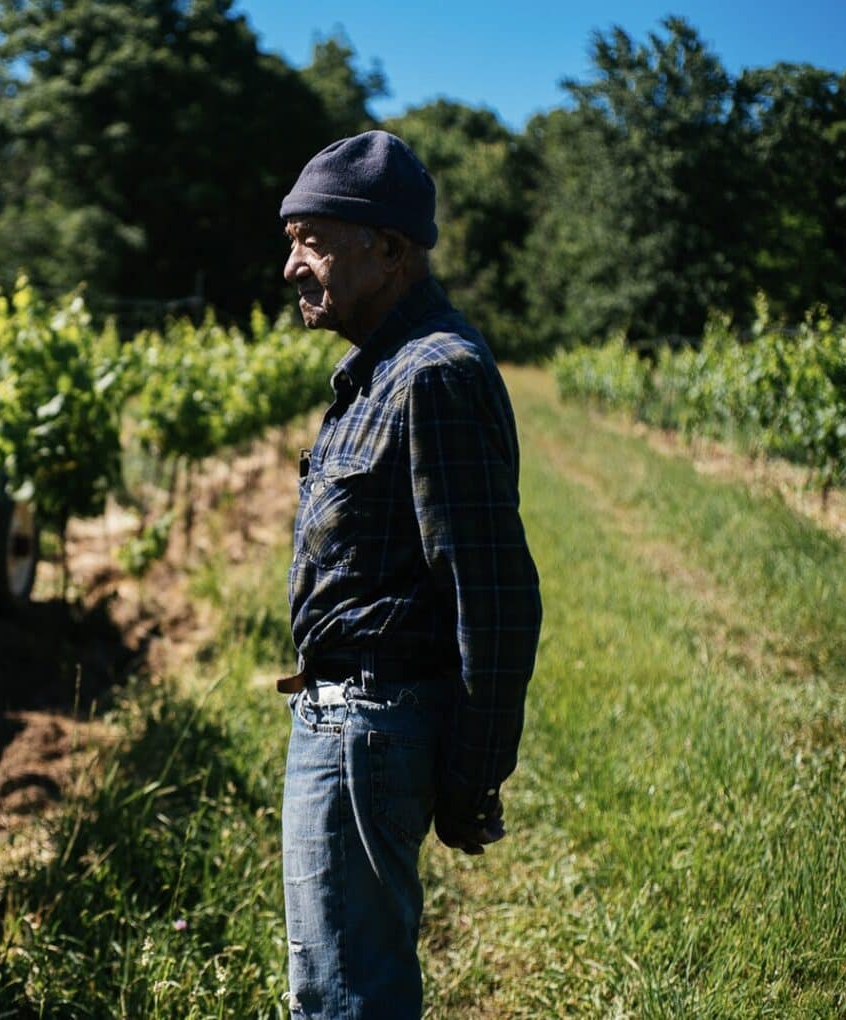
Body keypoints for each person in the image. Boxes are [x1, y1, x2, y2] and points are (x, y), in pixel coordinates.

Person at [276, 130, 542, 1019]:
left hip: (366, 731)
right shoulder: (380, 372)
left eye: (313, 239)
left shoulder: (433, 376)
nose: (292, 266)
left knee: (347, 998)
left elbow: (494, 599)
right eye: (290, 241)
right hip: (346, 724)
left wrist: (471, 780)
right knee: (339, 982)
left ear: (387, 250)